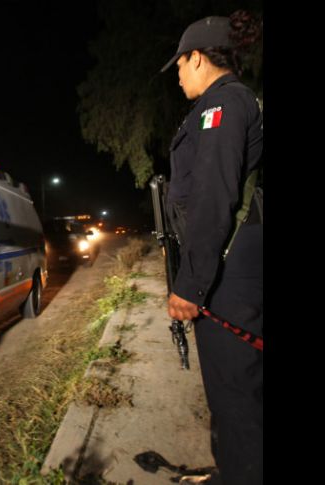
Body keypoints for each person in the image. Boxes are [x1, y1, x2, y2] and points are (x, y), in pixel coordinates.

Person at [160, 11, 263, 485]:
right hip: (233, 267)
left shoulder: (222, 107)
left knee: (235, 392)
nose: (177, 74)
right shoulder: (229, 104)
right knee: (233, 389)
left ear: (197, 58)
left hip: (228, 274)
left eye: (179, 65)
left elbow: (212, 200)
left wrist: (190, 286)